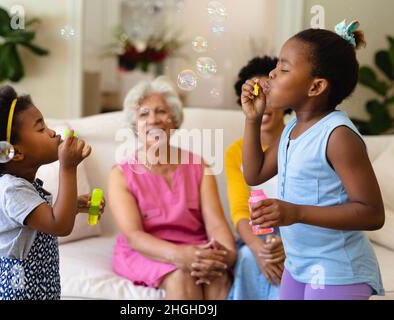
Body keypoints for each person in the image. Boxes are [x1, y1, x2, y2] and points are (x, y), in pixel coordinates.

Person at [241, 21, 385, 300]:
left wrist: (295, 213)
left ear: (316, 86)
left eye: (284, 68)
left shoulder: (338, 136)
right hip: (299, 267)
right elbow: (254, 173)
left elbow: (372, 213)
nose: (272, 73)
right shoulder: (292, 129)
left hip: (338, 271)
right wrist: (252, 118)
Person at [0, 85, 105, 300]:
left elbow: (45, 219)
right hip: (16, 293)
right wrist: (68, 167)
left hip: (36, 290)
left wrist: (75, 205)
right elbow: (59, 225)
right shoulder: (11, 189)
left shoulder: (23, 185)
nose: (52, 132)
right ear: (15, 152)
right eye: (40, 129)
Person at [109, 76, 236, 300]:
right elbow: (134, 236)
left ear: (174, 120)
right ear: (134, 126)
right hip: (147, 251)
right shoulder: (121, 174)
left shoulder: (199, 165)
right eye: (144, 114)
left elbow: (216, 224)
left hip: (195, 246)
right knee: (181, 276)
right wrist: (180, 256)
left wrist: (226, 255)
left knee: (218, 276)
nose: (153, 120)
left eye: (161, 111)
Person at [226, 56, 287, 300]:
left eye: (268, 93)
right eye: (254, 94)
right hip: (256, 236)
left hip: (299, 233)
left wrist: (290, 245)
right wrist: (257, 247)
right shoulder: (235, 152)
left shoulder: (301, 139)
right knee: (250, 258)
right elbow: (240, 210)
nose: (262, 102)